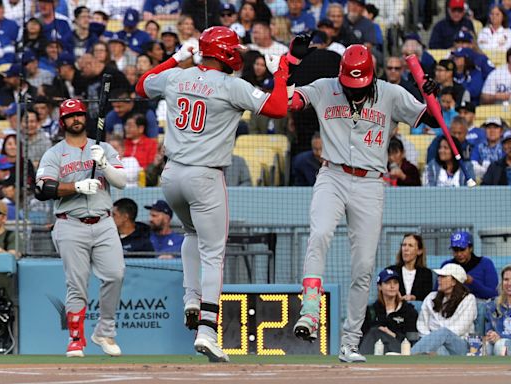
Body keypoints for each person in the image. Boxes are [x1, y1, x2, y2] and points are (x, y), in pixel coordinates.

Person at [135, 26, 293, 362]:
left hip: (172, 174)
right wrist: (281, 73)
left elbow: (141, 84)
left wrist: (176, 59)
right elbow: (279, 108)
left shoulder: (178, 76)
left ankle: (191, 298)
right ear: (228, 53)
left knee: (191, 233)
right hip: (205, 175)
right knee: (213, 253)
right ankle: (207, 329)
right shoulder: (231, 85)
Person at [288, 44, 440, 363]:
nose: (354, 91)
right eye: (349, 84)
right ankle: (310, 311)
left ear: (371, 76)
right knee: (319, 234)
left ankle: (350, 342)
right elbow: (285, 101)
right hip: (331, 174)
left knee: (364, 265)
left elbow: (430, 119)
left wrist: (430, 93)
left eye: (360, 85)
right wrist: (288, 62)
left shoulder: (390, 93)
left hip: (371, 181)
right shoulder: (324, 87)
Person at [35, 98, 127, 358]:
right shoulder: (54, 153)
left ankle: (105, 331)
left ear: (85, 118)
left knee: (116, 274)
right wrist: (75, 187)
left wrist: (105, 164)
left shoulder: (104, 148)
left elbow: (121, 182)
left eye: (79, 115)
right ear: (63, 122)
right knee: (76, 284)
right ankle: (76, 338)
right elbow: (42, 189)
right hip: (70, 223)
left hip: (104, 221)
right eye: (69, 116)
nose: (75, 119)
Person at [411, 263, 477, 355]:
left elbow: (460, 328)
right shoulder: (430, 297)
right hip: (433, 345)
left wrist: (437, 337)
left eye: (443, 276)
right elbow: (422, 324)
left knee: (444, 332)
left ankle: (408, 356)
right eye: (439, 276)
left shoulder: (469, 299)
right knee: (440, 350)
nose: (439, 279)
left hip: (459, 345)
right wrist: (433, 341)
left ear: (454, 281)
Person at [359, 268, 418, 355]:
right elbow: (364, 338)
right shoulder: (370, 311)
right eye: (387, 283)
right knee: (374, 332)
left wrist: (391, 334)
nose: (392, 286)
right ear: (379, 287)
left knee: (375, 331)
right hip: (376, 350)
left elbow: (412, 340)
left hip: (400, 350)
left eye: (395, 283)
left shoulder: (409, 311)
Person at [440, 230, 498, 300]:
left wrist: (471, 282)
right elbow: (437, 292)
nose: (459, 254)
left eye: (462, 250)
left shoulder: (485, 264)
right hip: (452, 307)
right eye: (455, 250)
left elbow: (492, 294)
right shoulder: (447, 266)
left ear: (470, 248)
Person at [388, 234, 433, 301]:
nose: (406, 249)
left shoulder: (426, 274)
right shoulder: (391, 271)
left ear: (419, 251)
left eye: (410, 245)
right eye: (404, 245)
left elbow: (427, 297)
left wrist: (414, 298)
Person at [484, 265, 511, 356]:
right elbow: (488, 329)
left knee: (500, 345)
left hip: (503, 343)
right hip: (497, 342)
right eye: (506, 279)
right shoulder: (492, 305)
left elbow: (500, 338)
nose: (509, 283)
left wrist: (500, 336)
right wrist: (490, 335)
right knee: (486, 346)